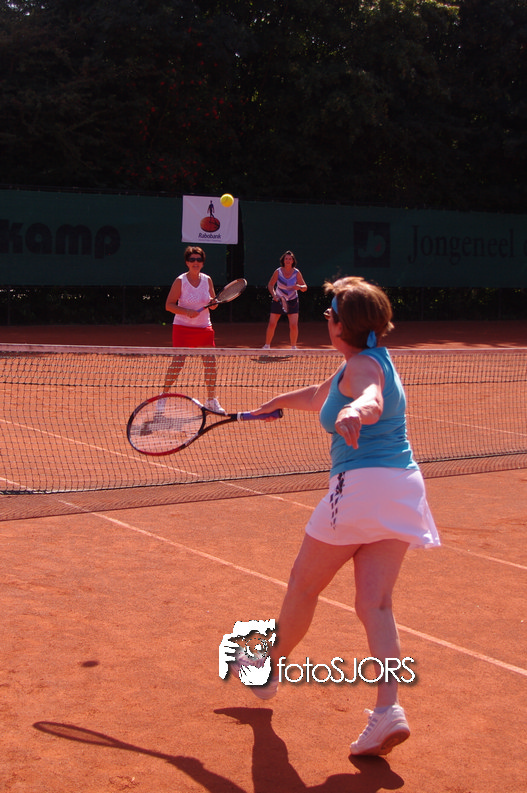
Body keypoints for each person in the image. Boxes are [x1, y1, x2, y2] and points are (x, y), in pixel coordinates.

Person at [250, 276, 440, 757]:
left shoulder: (362, 369)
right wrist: (275, 403)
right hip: (402, 488)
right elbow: (320, 395)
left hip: (359, 488)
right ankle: (388, 711)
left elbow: (369, 397)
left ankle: (269, 668)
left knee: (303, 586)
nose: (325, 319)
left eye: (329, 314)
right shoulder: (371, 359)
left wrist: (356, 411)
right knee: (375, 605)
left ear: (340, 325)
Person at [162, 246, 224, 413]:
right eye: (192, 260)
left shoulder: (207, 280)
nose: (195, 262)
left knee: (210, 363)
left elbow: (213, 304)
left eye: (199, 259)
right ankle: (163, 396)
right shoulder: (180, 281)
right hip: (182, 327)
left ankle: (211, 400)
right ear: (187, 262)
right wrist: (186, 312)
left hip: (204, 327)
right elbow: (169, 305)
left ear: (202, 262)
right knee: (178, 363)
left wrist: (214, 304)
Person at [262, 250, 307, 349]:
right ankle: (267, 345)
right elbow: (270, 285)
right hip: (279, 300)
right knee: (272, 324)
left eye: (290, 259)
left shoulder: (296, 272)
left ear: (292, 261)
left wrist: (299, 287)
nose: (288, 260)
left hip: (292, 301)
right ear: (283, 260)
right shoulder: (278, 271)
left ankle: (293, 347)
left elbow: (305, 287)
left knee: (293, 325)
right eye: (286, 259)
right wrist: (274, 295)